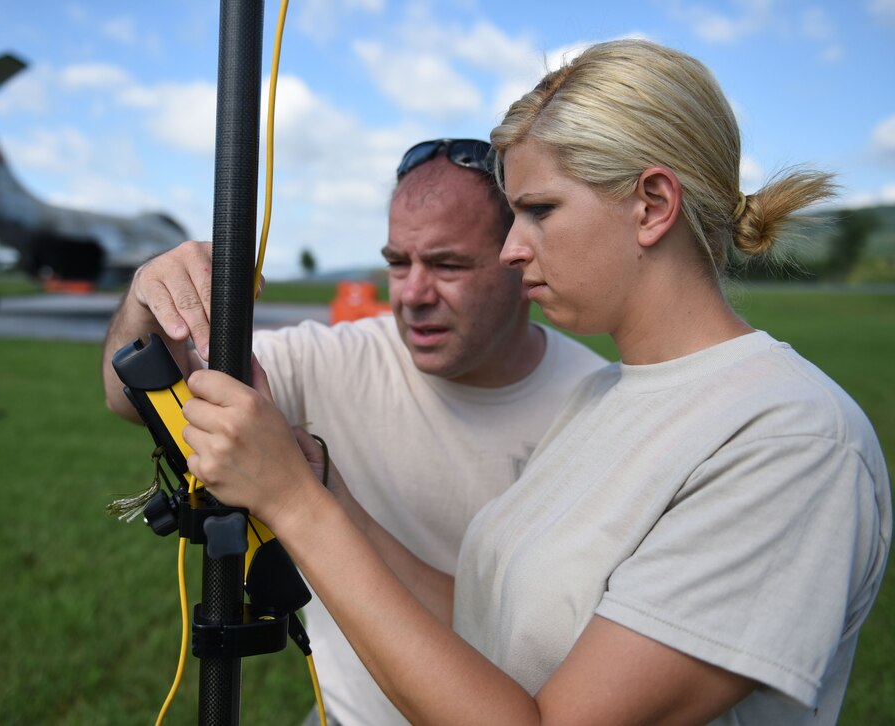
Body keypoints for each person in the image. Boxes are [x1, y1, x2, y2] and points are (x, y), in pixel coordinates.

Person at [177, 39, 892, 725]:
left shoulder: (792, 440)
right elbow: (491, 624)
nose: (512, 250)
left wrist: (296, 506)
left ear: (652, 205)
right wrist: (327, 491)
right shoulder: (603, 394)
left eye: (540, 211)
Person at [101, 139, 607, 725]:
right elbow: (130, 401)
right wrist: (146, 300)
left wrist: (302, 498)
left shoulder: (596, 405)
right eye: (398, 262)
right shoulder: (334, 358)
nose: (413, 294)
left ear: (520, 258)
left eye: (448, 265)